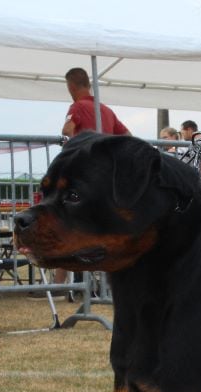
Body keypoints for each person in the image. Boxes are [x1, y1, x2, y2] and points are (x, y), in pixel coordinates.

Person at [49, 67, 132, 293]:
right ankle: (102, 286)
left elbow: (67, 130)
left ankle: (58, 285)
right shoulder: (105, 110)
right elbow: (127, 137)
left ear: (71, 86)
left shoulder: (77, 107)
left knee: (65, 226)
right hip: (104, 181)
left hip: (82, 179)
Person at [61, 68, 131, 138]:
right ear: (89, 86)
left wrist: (74, 145)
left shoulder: (77, 107)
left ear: (70, 87)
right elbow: (129, 136)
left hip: (87, 148)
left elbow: (66, 130)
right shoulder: (107, 111)